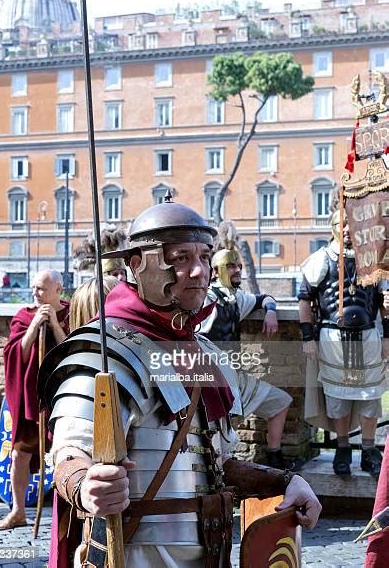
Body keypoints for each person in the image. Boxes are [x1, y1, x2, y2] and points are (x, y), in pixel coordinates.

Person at [38, 197, 321, 567]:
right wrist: (86, 486)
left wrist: (284, 482)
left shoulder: (202, 352)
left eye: (204, 256)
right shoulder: (104, 351)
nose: (199, 270)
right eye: (181, 257)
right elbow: (69, 454)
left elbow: (211, 466)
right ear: (137, 264)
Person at [298, 210, 389, 477]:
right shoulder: (320, 260)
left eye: (351, 223)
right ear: (334, 227)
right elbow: (304, 301)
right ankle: (342, 449)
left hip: (369, 336)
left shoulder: (373, 260)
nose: (347, 228)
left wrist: (387, 337)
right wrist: (307, 338)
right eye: (342, 223)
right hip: (333, 338)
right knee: (337, 397)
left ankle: (370, 450)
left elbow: (384, 306)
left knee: (371, 396)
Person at [199, 248, 292, 468]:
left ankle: (274, 458)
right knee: (218, 436)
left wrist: (270, 311)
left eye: (239, 266)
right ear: (216, 271)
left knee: (281, 401)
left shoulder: (236, 297)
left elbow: (265, 298)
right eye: (231, 266)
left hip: (234, 376)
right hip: (210, 380)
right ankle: (218, 480)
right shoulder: (204, 299)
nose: (237, 270)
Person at [0, 269, 69, 530]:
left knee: (67, 455)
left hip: (60, 398)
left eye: (41, 289)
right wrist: (35, 325)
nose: (35, 293)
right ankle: (18, 511)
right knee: (19, 455)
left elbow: (72, 350)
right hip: (31, 400)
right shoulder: (24, 316)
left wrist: (56, 326)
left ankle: (68, 514)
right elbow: (16, 354)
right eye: (34, 288)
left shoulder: (71, 313)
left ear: (58, 290)